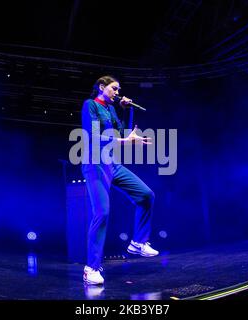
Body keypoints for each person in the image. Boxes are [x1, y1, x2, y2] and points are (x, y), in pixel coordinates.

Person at [81, 75, 159, 285]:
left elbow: (123, 131)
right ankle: (91, 268)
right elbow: (93, 135)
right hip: (94, 164)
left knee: (145, 195)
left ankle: (138, 242)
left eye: (118, 89)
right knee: (102, 212)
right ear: (101, 87)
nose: (117, 92)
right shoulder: (91, 105)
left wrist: (127, 109)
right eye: (114, 88)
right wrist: (125, 140)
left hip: (111, 164)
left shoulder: (112, 109)